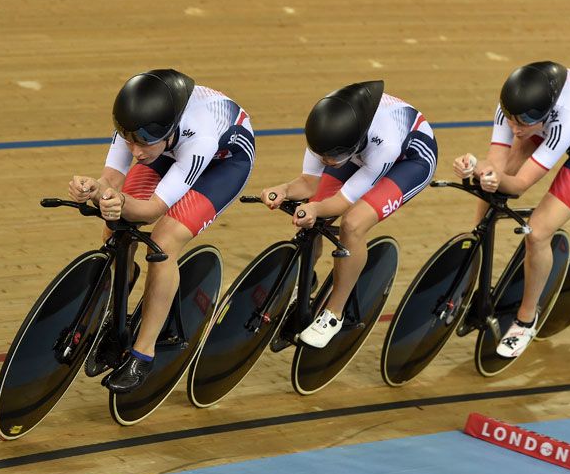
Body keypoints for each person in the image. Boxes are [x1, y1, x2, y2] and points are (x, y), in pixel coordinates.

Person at [68, 69, 255, 393]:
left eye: (143, 144)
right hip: (168, 152)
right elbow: (111, 180)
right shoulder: (136, 128)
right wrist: (93, 189)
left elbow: (153, 209)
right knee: (115, 229)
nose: (135, 151)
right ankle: (118, 313)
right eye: (130, 142)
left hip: (224, 164)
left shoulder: (201, 137)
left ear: (169, 133)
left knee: (163, 242)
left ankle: (144, 352)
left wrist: (118, 200)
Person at [455, 61, 570, 359]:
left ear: (545, 114)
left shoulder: (565, 118)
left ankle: (526, 318)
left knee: (538, 232)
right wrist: (476, 168)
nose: (515, 130)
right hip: (544, 125)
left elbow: (518, 185)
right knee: (489, 183)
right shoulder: (513, 107)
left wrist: (490, 175)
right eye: (511, 121)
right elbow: (495, 167)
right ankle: (474, 259)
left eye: (522, 124)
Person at [262, 81, 437, 349]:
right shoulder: (325, 129)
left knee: (353, 225)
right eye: (323, 156)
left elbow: (344, 202)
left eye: (333, 157)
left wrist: (315, 208)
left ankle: (334, 314)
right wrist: (284, 189)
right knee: (312, 216)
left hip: (410, 161)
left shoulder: (385, 144)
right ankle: (306, 283)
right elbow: (308, 183)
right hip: (356, 153)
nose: (328, 162)